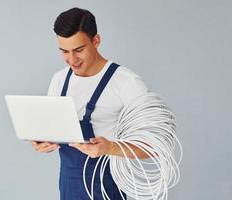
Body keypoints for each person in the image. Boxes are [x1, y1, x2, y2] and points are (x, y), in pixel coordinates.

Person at [31, 7, 152, 200]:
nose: (72, 59)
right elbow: (50, 132)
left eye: (79, 50)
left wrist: (110, 147)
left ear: (96, 41)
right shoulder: (59, 80)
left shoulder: (126, 82)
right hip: (68, 186)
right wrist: (42, 142)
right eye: (64, 51)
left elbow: (151, 147)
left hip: (106, 187)